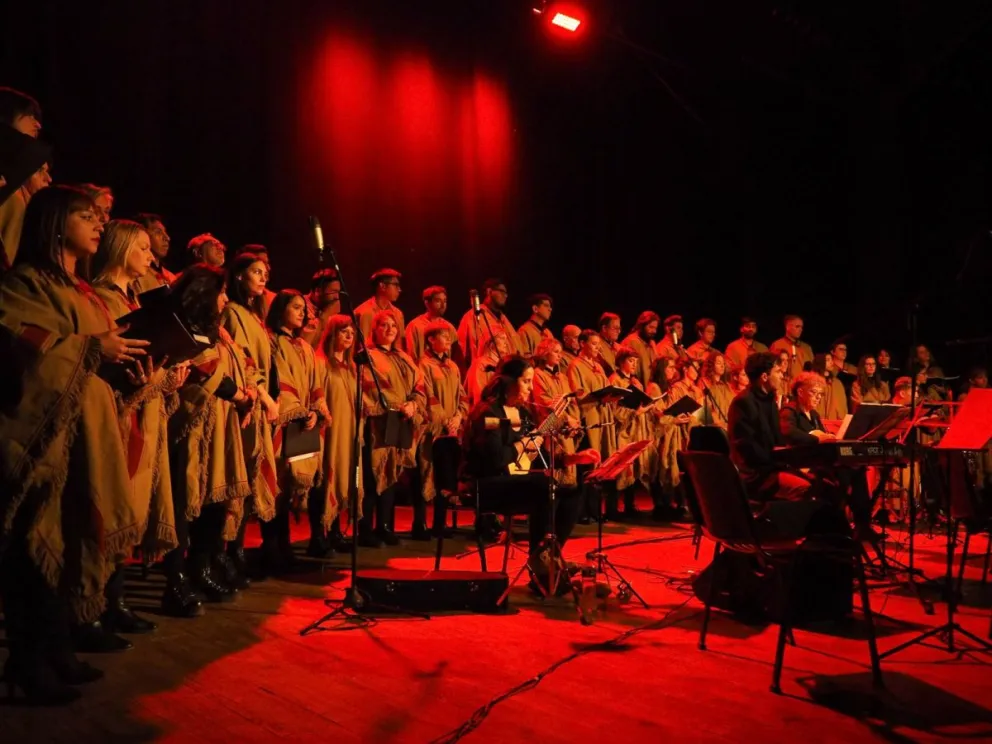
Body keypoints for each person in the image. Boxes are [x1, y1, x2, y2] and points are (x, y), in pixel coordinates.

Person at [462, 355, 599, 590]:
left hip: (515, 482)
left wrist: (574, 458)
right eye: (526, 381)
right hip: (487, 483)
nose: (530, 387)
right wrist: (524, 443)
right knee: (542, 486)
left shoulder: (523, 414)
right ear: (509, 382)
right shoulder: (490, 414)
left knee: (572, 490)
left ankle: (548, 562)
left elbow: (539, 459)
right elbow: (496, 459)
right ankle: (541, 568)